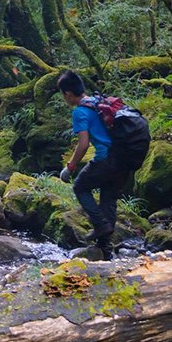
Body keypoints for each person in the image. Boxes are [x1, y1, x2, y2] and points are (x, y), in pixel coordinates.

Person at [57, 69, 130, 259]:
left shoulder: (80, 111)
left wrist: (70, 166)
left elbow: (83, 144)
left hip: (105, 159)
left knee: (80, 187)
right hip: (123, 159)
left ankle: (100, 225)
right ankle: (106, 250)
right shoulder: (98, 102)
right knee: (108, 198)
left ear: (68, 94)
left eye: (63, 95)